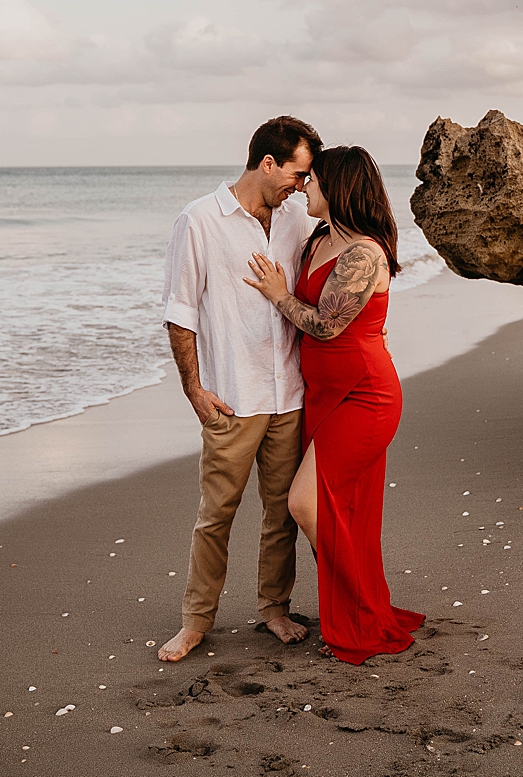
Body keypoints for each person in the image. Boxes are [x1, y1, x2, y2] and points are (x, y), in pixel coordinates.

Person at [243, 145, 424, 664]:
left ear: (338, 187)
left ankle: (363, 605)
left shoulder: (364, 253)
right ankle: (357, 602)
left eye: (313, 180)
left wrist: (279, 296)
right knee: (341, 509)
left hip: (365, 395)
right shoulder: (321, 238)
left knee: (305, 503)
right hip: (321, 394)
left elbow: (326, 324)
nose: (305, 188)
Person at [156, 116, 323, 663]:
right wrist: (194, 389)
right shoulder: (200, 220)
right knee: (216, 515)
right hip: (231, 396)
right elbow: (180, 313)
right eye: (297, 174)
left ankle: (274, 608)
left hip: (290, 394)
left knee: (281, 513)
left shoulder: (297, 219)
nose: (301, 186)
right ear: (268, 163)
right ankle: (195, 621)